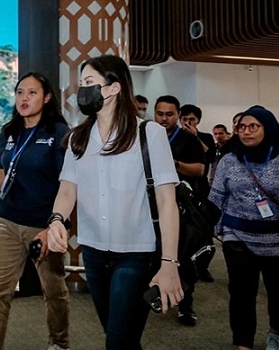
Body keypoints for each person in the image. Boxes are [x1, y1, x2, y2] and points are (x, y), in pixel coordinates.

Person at [47, 55, 183, 350]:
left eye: (90, 83)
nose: (82, 90)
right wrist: (57, 219)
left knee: (118, 341)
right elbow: (68, 188)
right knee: (117, 334)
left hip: (136, 252)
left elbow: (166, 202)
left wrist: (169, 263)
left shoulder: (150, 134)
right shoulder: (78, 138)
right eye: (81, 84)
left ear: (114, 88)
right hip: (93, 251)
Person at [0, 72, 71, 350]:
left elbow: (69, 185)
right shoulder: (9, 132)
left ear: (47, 97)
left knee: (53, 290)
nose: (24, 98)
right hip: (6, 220)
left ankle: (59, 342)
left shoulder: (58, 132)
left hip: (43, 225)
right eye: (20, 92)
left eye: (32, 93)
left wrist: (55, 226)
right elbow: (2, 174)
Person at [208, 106, 279, 350]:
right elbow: (216, 198)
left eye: (253, 126)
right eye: (241, 127)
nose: (246, 132)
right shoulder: (229, 160)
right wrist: (215, 230)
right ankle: (242, 345)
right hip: (238, 240)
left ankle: (275, 332)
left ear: (268, 128)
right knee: (241, 298)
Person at [154, 95, 206, 326]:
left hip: (182, 206)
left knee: (182, 257)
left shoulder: (188, 139)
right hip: (151, 206)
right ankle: (157, 296)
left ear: (177, 115)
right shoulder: (147, 136)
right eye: (160, 113)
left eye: (169, 114)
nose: (164, 118)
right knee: (152, 255)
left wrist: (173, 164)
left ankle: (186, 305)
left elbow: (199, 170)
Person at [180, 104, 217, 283]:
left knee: (204, 229)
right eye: (185, 119)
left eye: (192, 119)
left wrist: (195, 138)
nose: (188, 122)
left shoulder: (205, 137)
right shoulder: (174, 137)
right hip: (180, 189)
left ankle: (203, 266)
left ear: (198, 121)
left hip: (200, 189)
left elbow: (210, 157)